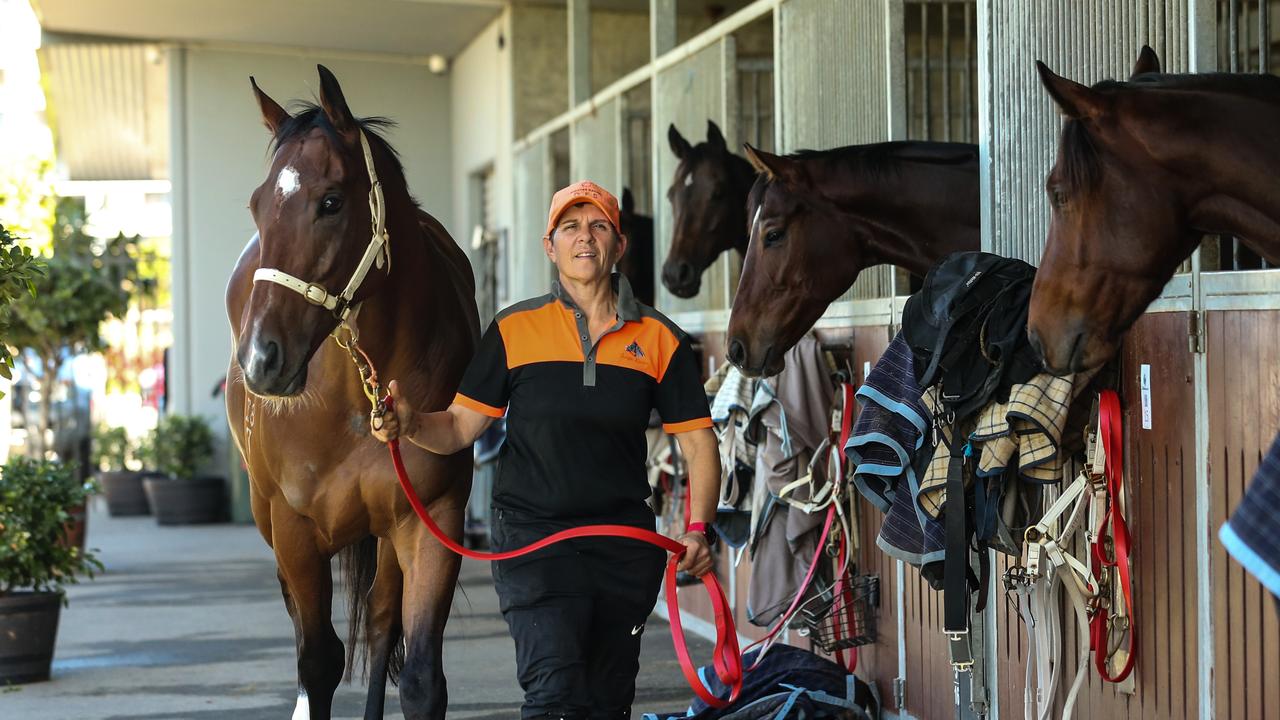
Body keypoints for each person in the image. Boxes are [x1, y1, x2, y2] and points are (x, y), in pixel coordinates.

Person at [372, 180, 721, 719]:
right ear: (550, 245)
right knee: (555, 697)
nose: (586, 237)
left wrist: (698, 527)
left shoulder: (660, 339)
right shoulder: (514, 329)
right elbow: (460, 428)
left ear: (619, 245)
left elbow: (698, 443)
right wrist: (410, 422)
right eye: (571, 227)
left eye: (599, 225)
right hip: (534, 541)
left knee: (607, 703)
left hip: (624, 545)